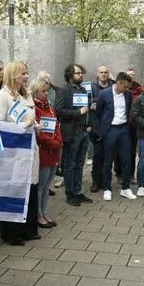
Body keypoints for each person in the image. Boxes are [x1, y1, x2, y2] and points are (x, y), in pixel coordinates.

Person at [0, 61, 41, 245]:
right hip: (12, 151)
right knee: (13, 190)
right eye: (22, 74)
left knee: (30, 188)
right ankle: (11, 233)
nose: (26, 77)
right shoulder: (1, 97)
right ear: (12, 75)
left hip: (29, 148)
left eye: (27, 73)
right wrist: (22, 126)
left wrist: (35, 125)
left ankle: (28, 228)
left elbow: (29, 118)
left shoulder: (24, 95)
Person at [54, 63, 93, 206]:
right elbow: (58, 111)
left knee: (80, 164)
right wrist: (78, 113)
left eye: (81, 73)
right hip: (71, 133)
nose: (81, 75)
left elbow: (85, 110)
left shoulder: (82, 89)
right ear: (70, 75)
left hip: (83, 132)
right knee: (70, 164)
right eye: (78, 73)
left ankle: (78, 191)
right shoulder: (63, 91)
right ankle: (70, 194)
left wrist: (88, 124)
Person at [97, 72, 136, 201]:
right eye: (125, 86)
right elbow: (99, 112)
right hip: (110, 130)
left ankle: (125, 188)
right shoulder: (104, 94)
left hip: (124, 129)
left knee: (127, 159)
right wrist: (103, 129)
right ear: (118, 83)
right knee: (108, 160)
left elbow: (128, 109)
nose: (127, 89)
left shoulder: (128, 95)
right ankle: (107, 189)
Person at [30, 78, 62, 228]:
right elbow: (39, 133)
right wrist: (53, 142)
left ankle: (44, 211)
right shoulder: (34, 108)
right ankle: (38, 214)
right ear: (35, 92)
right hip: (44, 150)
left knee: (48, 183)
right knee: (41, 186)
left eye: (47, 91)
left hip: (54, 150)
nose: (46, 93)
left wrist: (59, 140)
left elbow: (56, 125)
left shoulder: (49, 106)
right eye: (43, 91)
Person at [89, 65, 115, 193]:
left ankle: (106, 182)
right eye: (101, 72)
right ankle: (95, 181)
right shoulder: (90, 86)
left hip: (110, 127)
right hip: (95, 127)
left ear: (108, 74)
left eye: (106, 72)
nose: (103, 74)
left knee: (108, 157)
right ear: (97, 74)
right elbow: (84, 102)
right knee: (97, 156)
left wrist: (99, 103)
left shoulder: (113, 86)